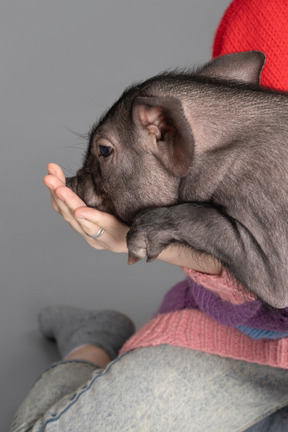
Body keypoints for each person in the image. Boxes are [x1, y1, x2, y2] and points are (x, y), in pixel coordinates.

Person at [10, 0, 288, 430]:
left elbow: (278, 281)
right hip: (233, 337)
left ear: (162, 126)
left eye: (104, 154)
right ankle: (92, 342)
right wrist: (149, 237)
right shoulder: (262, 16)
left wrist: (166, 230)